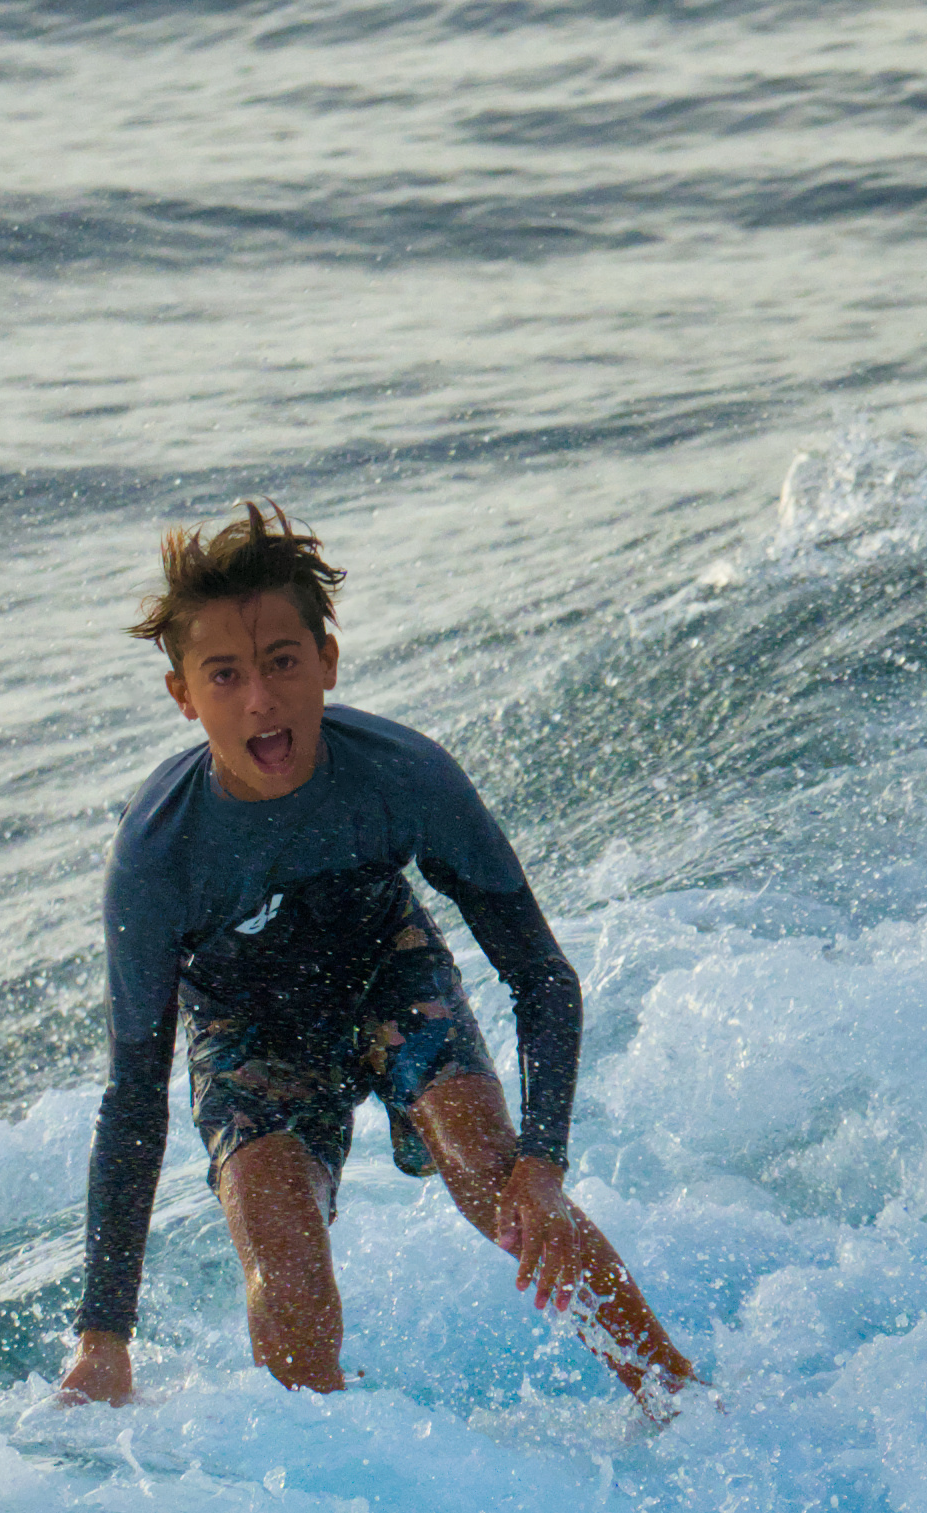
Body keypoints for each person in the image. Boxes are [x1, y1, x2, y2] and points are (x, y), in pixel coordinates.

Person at [60, 500, 696, 1412]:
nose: (260, 699)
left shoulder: (402, 775)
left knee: (497, 1179)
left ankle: (681, 1405)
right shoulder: (157, 856)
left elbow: (540, 974)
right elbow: (131, 1099)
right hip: (246, 1027)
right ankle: (337, 1471)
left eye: (283, 662)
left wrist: (544, 1165)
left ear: (327, 660)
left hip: (385, 971)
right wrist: (103, 1337)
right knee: (285, 1274)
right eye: (225, 675)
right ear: (183, 695)